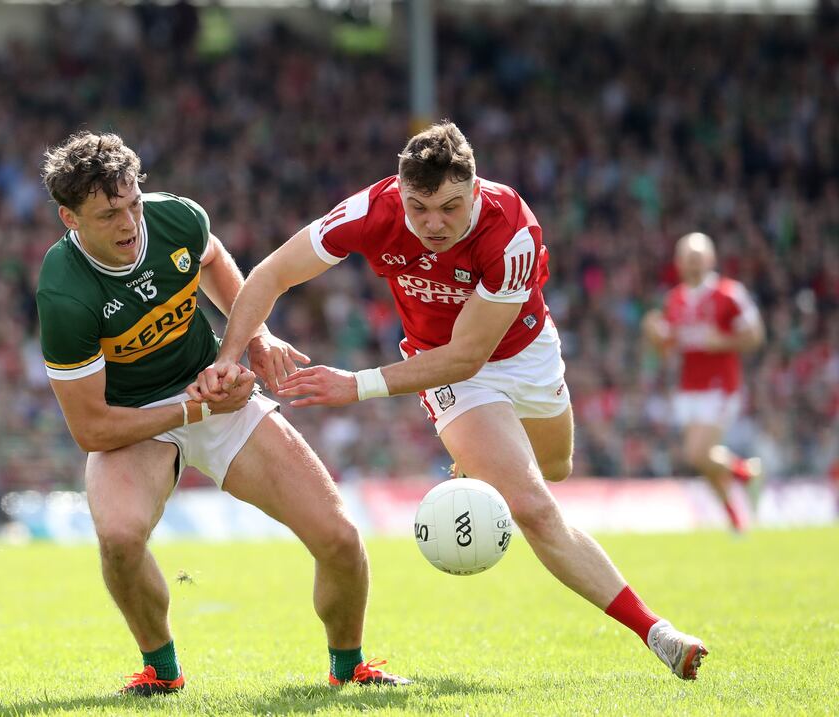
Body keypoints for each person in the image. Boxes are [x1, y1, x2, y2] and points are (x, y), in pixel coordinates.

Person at [192, 121, 708, 680]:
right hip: (444, 369)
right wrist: (232, 353)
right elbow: (270, 275)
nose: (433, 224)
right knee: (533, 506)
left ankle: (472, 462)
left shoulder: (510, 232)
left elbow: (471, 353)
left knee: (557, 468)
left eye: (450, 208)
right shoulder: (372, 211)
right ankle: (657, 632)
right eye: (419, 208)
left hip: (522, 353)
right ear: (398, 191)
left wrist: (357, 383)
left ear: (475, 188)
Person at [36, 131, 408, 696]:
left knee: (338, 537)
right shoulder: (63, 293)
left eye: (134, 202)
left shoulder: (176, 218)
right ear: (70, 218)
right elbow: (90, 427)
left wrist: (254, 334)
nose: (130, 223)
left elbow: (211, 259)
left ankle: (349, 668)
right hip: (134, 417)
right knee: (118, 537)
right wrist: (192, 411)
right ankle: (161, 673)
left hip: (210, 391)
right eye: (110, 213)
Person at [642, 232, 765, 532]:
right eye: (686, 258)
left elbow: (755, 336)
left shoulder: (729, 293)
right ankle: (736, 515)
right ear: (678, 263)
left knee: (696, 453)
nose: (692, 264)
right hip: (689, 387)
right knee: (702, 459)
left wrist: (722, 340)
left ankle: (746, 475)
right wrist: (655, 336)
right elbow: (668, 347)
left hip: (720, 385)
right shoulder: (675, 300)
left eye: (697, 258)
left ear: (710, 260)